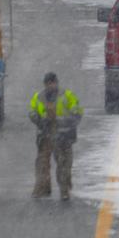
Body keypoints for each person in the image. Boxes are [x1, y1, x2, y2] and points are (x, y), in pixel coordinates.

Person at [29, 72, 83, 200]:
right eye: (48, 83)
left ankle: (64, 190)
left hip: (63, 137)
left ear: (57, 82)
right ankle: (42, 189)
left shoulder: (67, 96)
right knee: (42, 164)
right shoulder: (39, 97)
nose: (50, 86)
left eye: (53, 83)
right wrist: (40, 120)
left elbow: (77, 112)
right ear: (45, 84)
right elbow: (32, 112)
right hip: (45, 136)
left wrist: (65, 122)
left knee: (64, 164)